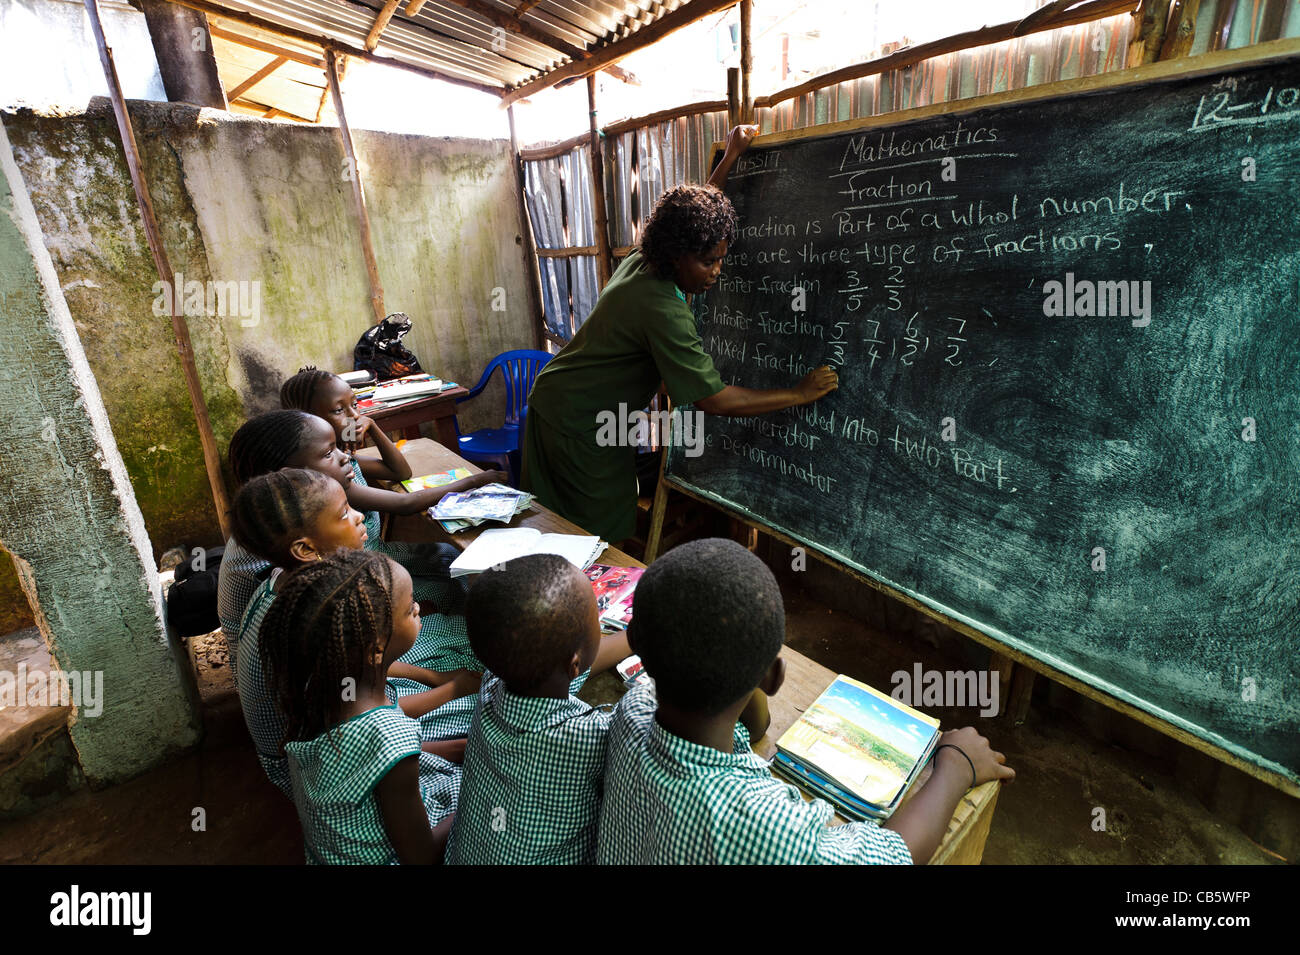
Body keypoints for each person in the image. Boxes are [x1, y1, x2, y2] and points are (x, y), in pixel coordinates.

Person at [597, 538, 1015, 865]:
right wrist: (956, 768)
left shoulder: (630, 712)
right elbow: (893, 855)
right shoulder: (764, 826)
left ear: (639, 649)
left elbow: (754, 727)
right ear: (775, 678)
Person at [522, 125, 839, 543]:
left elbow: (692, 221)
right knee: (595, 537)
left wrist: (729, 158)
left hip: (561, 403)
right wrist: (798, 394)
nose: (717, 272)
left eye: (721, 259)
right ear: (679, 254)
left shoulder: (646, 257)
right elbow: (714, 399)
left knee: (560, 524)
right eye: (709, 262)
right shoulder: (663, 308)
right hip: (579, 424)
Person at [230, 469, 477, 797]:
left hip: (342, 725)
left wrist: (433, 676)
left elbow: (356, 671)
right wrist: (452, 690)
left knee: (445, 630)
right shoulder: (307, 621)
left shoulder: (288, 585)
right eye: (344, 513)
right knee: (493, 703)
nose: (361, 517)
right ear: (305, 549)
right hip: (325, 756)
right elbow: (352, 722)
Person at [260, 550, 462, 864]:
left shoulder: (318, 694)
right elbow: (421, 856)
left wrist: (459, 747)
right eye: (410, 609)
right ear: (377, 648)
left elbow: (371, 762)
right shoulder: (388, 737)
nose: (419, 607)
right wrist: (474, 800)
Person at [445, 555, 630, 865]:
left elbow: (558, 668)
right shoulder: (591, 736)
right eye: (596, 617)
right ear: (573, 663)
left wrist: (635, 637)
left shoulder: (494, 682)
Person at [280, 364, 506, 611]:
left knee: (448, 556)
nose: (353, 416)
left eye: (354, 406)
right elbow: (405, 504)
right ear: (306, 420)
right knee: (449, 589)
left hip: (376, 551)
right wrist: (477, 479)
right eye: (338, 410)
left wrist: (373, 426)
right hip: (362, 564)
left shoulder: (339, 456)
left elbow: (400, 472)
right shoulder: (322, 476)